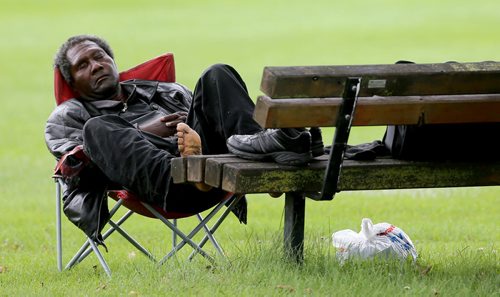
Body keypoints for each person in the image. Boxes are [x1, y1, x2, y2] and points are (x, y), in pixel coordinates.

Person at [45, 34, 323, 243]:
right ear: (71, 81)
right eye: (83, 65)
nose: (95, 66)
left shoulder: (168, 91)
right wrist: (144, 132)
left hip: (212, 167)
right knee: (98, 128)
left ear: (113, 61)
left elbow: (213, 119)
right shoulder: (67, 116)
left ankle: (262, 159)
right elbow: (75, 166)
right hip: (158, 184)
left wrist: (188, 133)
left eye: (99, 57)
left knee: (217, 73)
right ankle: (190, 170)